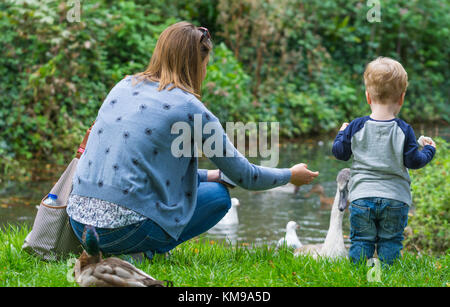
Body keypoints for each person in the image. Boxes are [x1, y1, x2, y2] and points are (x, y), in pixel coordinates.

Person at [67, 21, 319, 259]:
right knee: (219, 197)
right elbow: (246, 176)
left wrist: (212, 174)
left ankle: (126, 247)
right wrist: (290, 175)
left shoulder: (122, 86)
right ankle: (145, 251)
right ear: (196, 65)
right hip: (125, 233)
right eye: (206, 65)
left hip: (81, 225)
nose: (206, 72)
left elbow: (143, 169)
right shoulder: (191, 109)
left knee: (212, 183)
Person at [332, 57, 436, 265]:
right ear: (402, 99)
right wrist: (430, 150)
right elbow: (414, 161)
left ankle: (361, 275)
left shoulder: (355, 126)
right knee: (390, 242)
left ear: (368, 97)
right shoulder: (404, 130)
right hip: (395, 200)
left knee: (361, 240)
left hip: (362, 197)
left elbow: (340, 153)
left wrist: (341, 134)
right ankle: (388, 275)